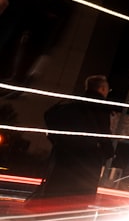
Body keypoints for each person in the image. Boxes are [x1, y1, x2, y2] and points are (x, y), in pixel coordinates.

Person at [31, 73, 116, 205]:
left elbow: (49, 116)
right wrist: (107, 152)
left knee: (54, 198)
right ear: (102, 89)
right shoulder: (99, 107)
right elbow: (103, 134)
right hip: (87, 162)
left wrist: (57, 141)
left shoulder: (69, 104)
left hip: (62, 158)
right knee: (77, 202)